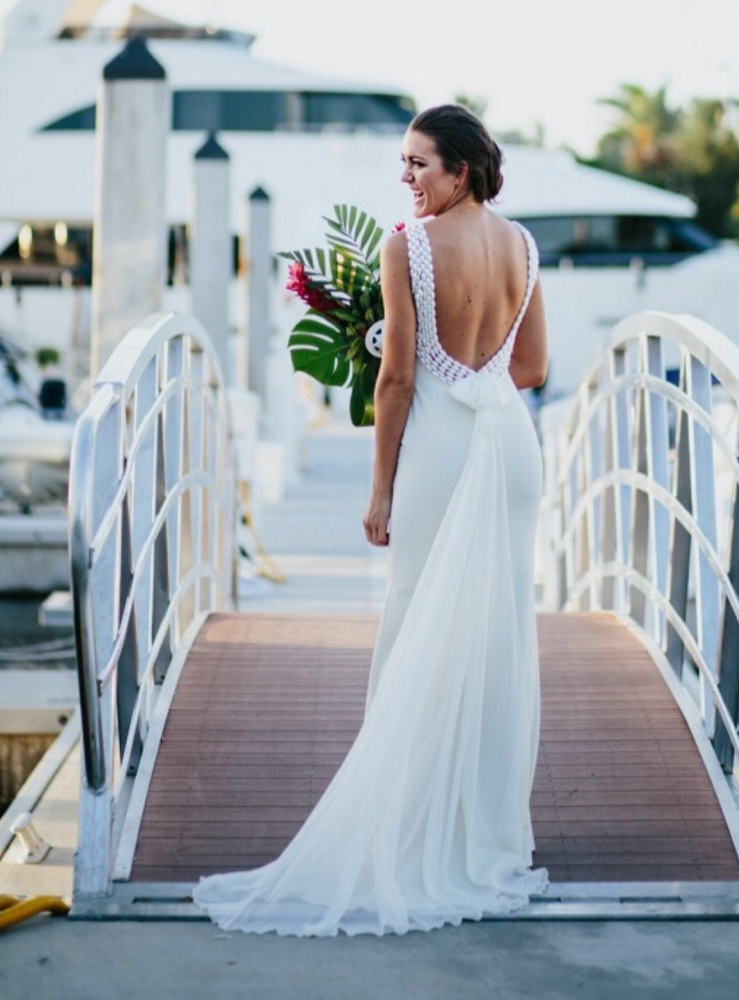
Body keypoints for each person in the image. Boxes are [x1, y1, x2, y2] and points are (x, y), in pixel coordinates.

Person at [193, 104, 550, 937]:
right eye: (404, 164)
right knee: (496, 639)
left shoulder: (407, 246)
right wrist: (475, 370)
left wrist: (380, 489)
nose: (406, 179)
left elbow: (394, 384)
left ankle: (413, 830)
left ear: (460, 170)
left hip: (439, 450)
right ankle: (485, 838)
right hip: (511, 452)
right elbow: (532, 367)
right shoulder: (524, 247)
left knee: (414, 625)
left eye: (419, 164)